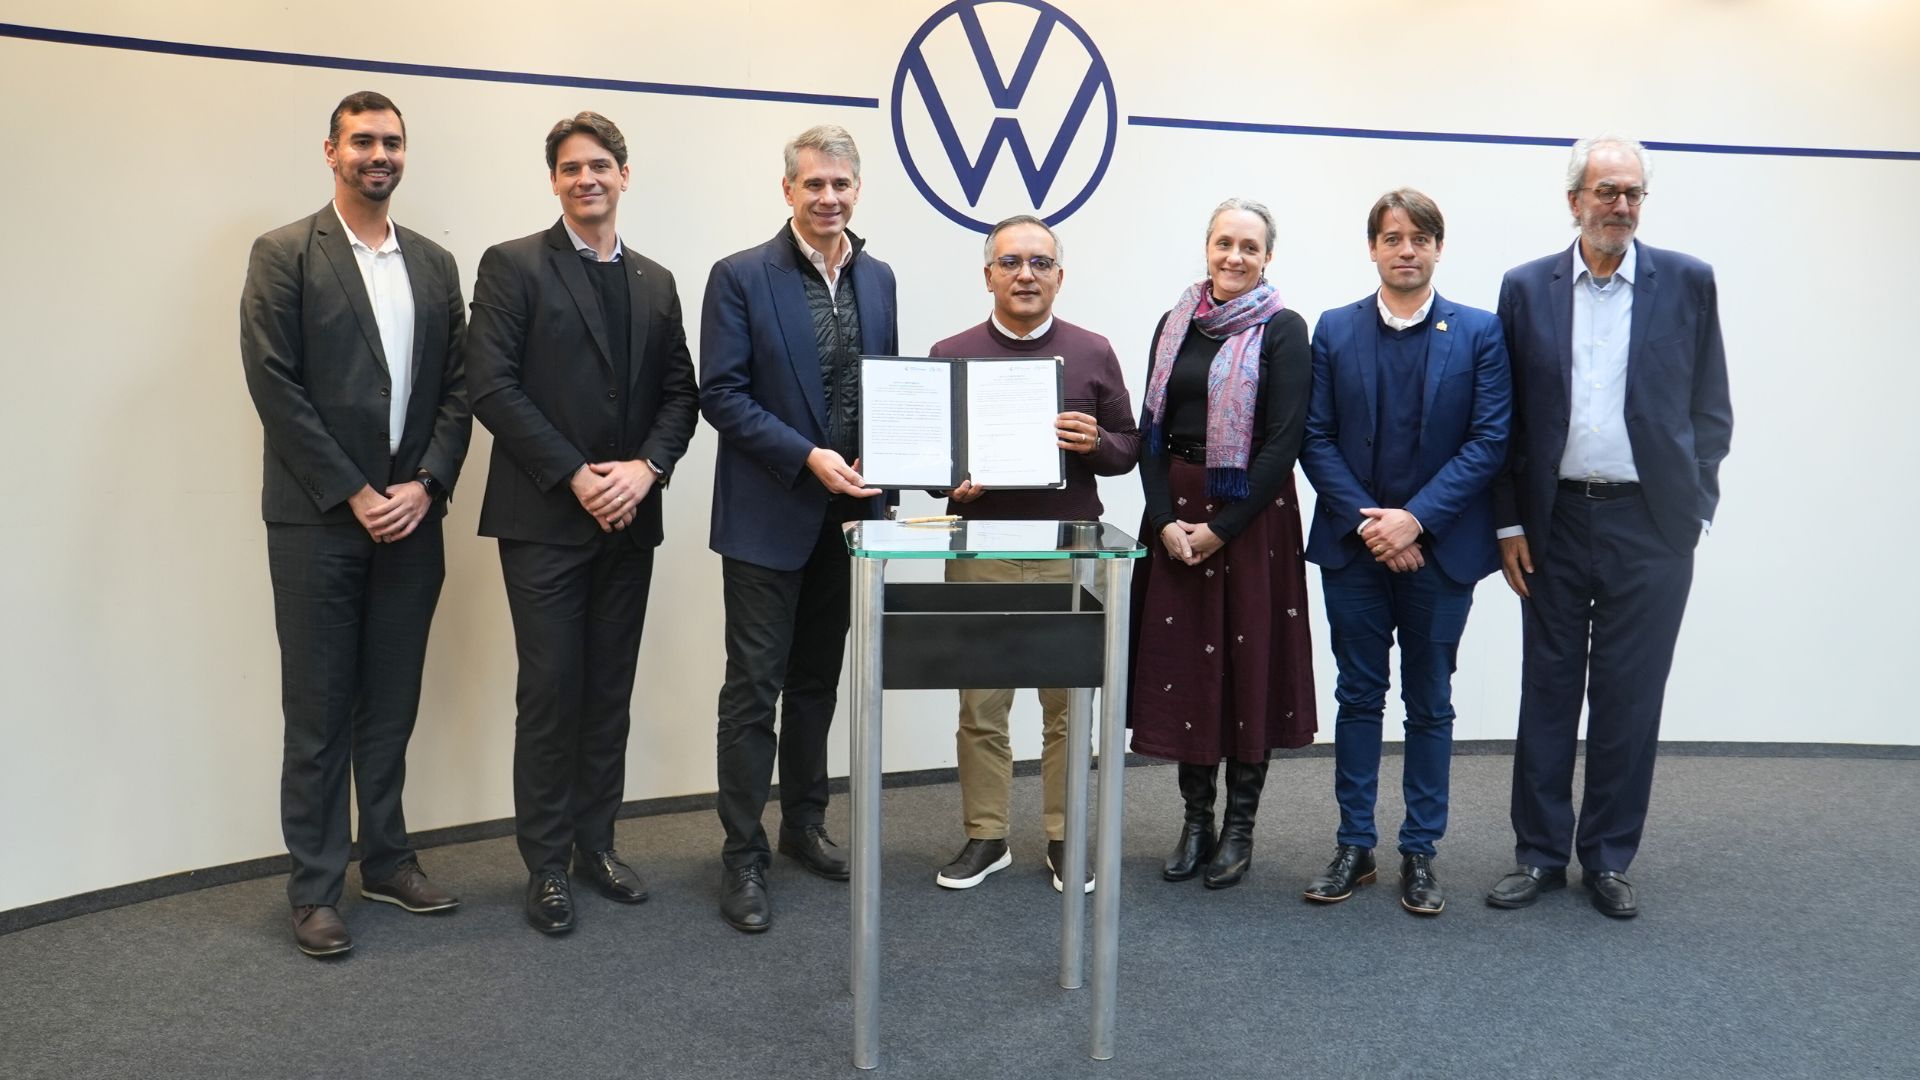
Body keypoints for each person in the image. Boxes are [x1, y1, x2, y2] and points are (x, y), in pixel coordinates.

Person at [239, 90, 471, 957]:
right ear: (331, 151)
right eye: (364, 141)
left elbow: (461, 389)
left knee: (391, 704)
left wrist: (427, 484)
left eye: (393, 142)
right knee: (319, 711)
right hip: (318, 523)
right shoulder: (284, 254)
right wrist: (353, 491)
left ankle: (388, 859)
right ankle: (314, 887)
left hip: (413, 519)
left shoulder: (436, 265)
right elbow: (273, 382)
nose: (380, 154)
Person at [466, 111, 699, 935]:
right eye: (571, 168)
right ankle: (546, 865)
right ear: (554, 181)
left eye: (600, 165)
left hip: (629, 520)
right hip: (543, 521)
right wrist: (575, 474)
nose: (586, 178)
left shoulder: (655, 281)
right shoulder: (512, 265)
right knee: (551, 691)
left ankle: (597, 844)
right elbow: (491, 386)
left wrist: (646, 470)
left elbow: (681, 395)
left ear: (624, 175)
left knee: (608, 693)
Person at [1486, 136, 1732, 919]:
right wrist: (1508, 521)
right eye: (1606, 192)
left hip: (1650, 525)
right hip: (1552, 521)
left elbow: (1711, 407)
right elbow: (1505, 419)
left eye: (1632, 193)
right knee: (1548, 689)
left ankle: (1608, 857)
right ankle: (1538, 854)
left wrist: (1693, 505)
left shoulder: (1687, 282)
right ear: (1574, 201)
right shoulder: (1526, 288)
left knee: (1630, 697)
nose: (1620, 206)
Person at [699, 125, 898, 933]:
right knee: (753, 690)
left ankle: (804, 824)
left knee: (817, 682)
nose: (828, 197)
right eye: (813, 184)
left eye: (841, 184)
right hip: (768, 515)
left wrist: (897, 464)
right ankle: (742, 855)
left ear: (858, 190)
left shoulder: (879, 277)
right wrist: (808, 457)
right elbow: (722, 395)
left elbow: (886, 390)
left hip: (850, 520)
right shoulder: (741, 276)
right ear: (788, 190)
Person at [1297, 189, 1512, 915]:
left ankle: (1420, 851)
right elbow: (1315, 437)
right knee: (1358, 697)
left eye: (1420, 237)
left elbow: (1488, 441)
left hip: (1440, 554)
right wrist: (1376, 528)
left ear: (1438, 248)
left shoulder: (1480, 332)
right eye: (1392, 237)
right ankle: (1354, 846)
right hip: (1354, 550)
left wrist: (1414, 522)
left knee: (1430, 703)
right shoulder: (1334, 329)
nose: (1406, 249)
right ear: (1372, 249)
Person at [926, 216, 1140, 893]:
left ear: (1060, 276)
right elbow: (933, 464)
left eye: (1040, 263)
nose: (1026, 274)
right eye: (1011, 262)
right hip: (980, 550)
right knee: (981, 704)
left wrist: (1095, 443)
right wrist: (949, 481)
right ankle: (986, 836)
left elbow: (1128, 449)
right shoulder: (950, 353)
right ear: (988, 274)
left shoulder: (1093, 351)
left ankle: (1064, 836)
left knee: (1068, 706)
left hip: (1068, 551)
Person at [1129, 197, 1317, 890]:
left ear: (1268, 257)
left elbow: (1284, 442)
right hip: (1176, 516)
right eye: (1224, 243)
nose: (1234, 257)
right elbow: (1151, 431)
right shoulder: (1175, 322)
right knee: (1189, 670)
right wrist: (1163, 520)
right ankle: (1195, 823)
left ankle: (1239, 829)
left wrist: (1220, 528)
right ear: (1207, 247)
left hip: (1251, 520)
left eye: (1249, 246)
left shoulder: (1284, 329)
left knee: (1246, 668)